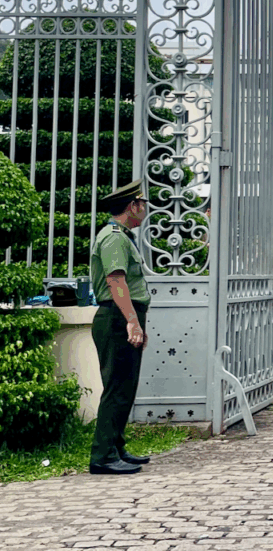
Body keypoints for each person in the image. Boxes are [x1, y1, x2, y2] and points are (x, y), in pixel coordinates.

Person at [88, 179, 152, 475]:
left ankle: (116, 446)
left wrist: (134, 319)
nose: (144, 210)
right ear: (132, 206)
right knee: (116, 387)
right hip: (117, 317)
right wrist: (132, 321)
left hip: (122, 316)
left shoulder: (122, 236)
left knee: (125, 386)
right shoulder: (114, 237)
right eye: (142, 205)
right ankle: (102, 456)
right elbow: (116, 281)